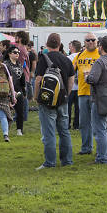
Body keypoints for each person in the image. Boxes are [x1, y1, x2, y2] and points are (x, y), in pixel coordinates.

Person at [35, 33, 75, 169]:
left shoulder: (43, 59)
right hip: (62, 99)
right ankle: (67, 161)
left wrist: (36, 97)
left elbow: (38, 80)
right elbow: (71, 80)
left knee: (49, 132)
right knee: (64, 131)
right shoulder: (66, 60)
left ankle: (50, 162)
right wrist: (67, 95)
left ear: (47, 44)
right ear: (60, 44)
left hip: (47, 100)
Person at [86, 36, 107, 164]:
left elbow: (93, 79)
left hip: (100, 98)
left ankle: (102, 158)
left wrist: (87, 77)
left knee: (100, 129)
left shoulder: (100, 62)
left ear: (101, 47)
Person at [72, 33, 100, 155]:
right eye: (87, 40)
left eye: (92, 40)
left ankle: (101, 148)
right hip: (82, 92)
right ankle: (86, 148)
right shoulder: (79, 55)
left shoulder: (101, 54)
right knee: (84, 122)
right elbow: (70, 70)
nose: (90, 42)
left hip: (97, 93)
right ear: (84, 42)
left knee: (98, 123)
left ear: (97, 41)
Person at [5, 45, 26, 136]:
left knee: (20, 111)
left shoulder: (20, 65)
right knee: (5, 111)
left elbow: (22, 79)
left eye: (18, 52)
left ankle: (19, 130)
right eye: (15, 52)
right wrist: (9, 92)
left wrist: (24, 92)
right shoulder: (5, 64)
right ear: (9, 54)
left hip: (19, 91)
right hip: (7, 91)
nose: (17, 54)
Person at [67, 40, 82, 130]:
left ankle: (67, 124)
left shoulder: (69, 58)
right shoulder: (83, 56)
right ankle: (76, 125)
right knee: (78, 108)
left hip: (71, 86)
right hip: (80, 86)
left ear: (72, 47)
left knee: (68, 107)